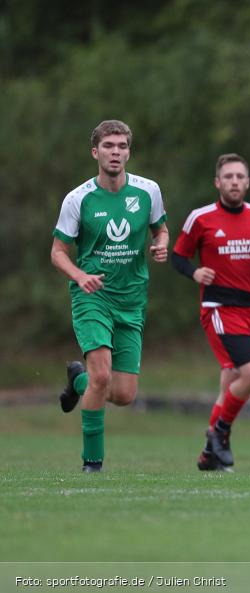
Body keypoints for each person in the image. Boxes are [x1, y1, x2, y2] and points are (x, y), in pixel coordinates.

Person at [52, 120, 168, 473]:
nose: (115, 152)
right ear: (95, 152)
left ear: (128, 152)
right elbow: (58, 252)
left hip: (131, 300)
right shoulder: (78, 199)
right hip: (93, 297)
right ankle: (93, 463)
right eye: (108, 146)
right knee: (101, 378)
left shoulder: (148, 191)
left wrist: (161, 245)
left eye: (121, 146)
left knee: (124, 394)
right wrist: (80, 276)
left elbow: (161, 230)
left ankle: (78, 380)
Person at [171, 154, 250, 471]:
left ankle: (209, 455)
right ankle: (220, 433)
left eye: (239, 176)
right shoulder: (201, 218)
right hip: (220, 308)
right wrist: (195, 273)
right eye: (228, 176)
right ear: (218, 182)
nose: (234, 181)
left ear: (247, 182)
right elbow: (178, 257)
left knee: (231, 383)